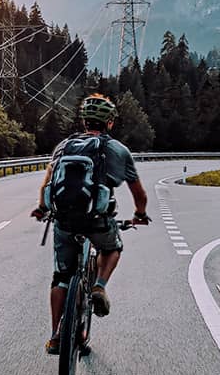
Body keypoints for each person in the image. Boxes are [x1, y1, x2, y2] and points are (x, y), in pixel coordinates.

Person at [31, 92, 149, 355]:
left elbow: (46, 185)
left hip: (65, 220)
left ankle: (55, 336)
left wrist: (42, 209)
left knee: (61, 278)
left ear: (84, 121)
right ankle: (99, 286)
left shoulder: (64, 146)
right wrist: (140, 214)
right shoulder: (118, 150)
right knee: (112, 248)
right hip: (98, 220)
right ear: (109, 122)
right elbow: (139, 194)